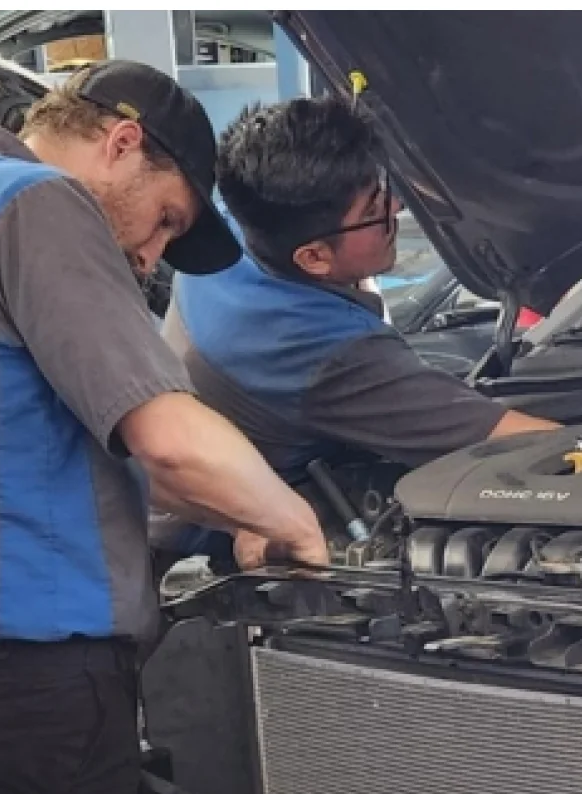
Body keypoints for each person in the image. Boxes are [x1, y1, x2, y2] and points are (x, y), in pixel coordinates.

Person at [0, 61, 327, 794]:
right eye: (167, 220)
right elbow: (168, 439)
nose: (151, 255)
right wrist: (294, 524)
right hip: (34, 695)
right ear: (121, 142)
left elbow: (24, 447)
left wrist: (234, 512)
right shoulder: (39, 204)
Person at [158, 96, 558, 557]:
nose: (395, 212)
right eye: (374, 211)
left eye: (383, 188)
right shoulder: (318, 349)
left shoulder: (235, 222)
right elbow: (517, 443)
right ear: (313, 257)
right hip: (210, 556)